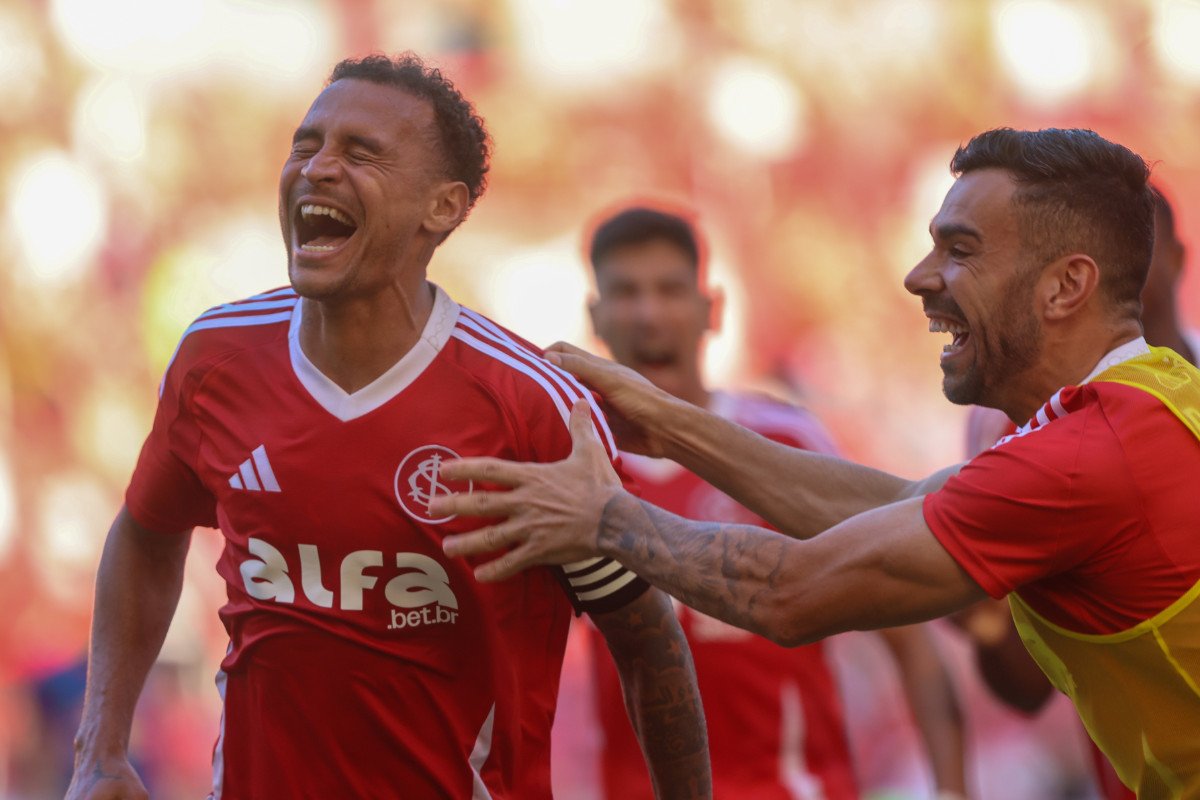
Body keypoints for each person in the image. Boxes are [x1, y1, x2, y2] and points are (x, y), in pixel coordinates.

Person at [431, 127, 1200, 798]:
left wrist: (604, 517)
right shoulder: (1136, 406)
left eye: (959, 249)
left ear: (1067, 285)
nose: (919, 275)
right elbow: (897, 507)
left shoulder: (1086, 455)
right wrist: (668, 424)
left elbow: (789, 594)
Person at [66, 53, 711, 800]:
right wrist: (99, 751)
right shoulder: (216, 360)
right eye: (306, 145)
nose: (318, 169)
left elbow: (645, 637)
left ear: (442, 207)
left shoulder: (532, 408)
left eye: (360, 153)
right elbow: (146, 533)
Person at [569, 201, 966, 799]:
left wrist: (953, 790)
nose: (649, 314)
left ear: (712, 311)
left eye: (670, 289)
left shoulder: (783, 443)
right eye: (626, 292)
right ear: (596, 315)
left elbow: (909, 636)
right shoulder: (573, 460)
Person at [955, 183, 1197, 800]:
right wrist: (979, 607)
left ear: (1176, 256)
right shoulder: (1016, 431)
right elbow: (1025, 688)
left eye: (1132, 252)